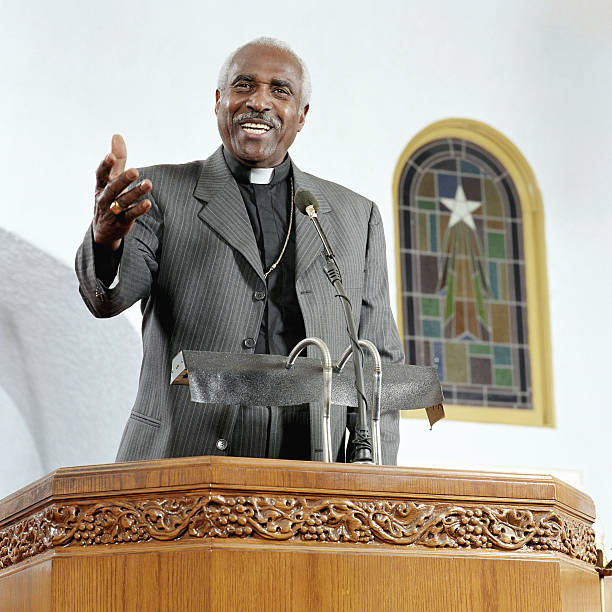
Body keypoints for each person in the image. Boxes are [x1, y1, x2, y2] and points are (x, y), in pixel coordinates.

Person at [76, 37, 404, 465]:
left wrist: (376, 474)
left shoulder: (353, 215)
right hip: (179, 462)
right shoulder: (159, 194)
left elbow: (380, 358)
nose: (259, 102)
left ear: (301, 115)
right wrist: (107, 240)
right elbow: (107, 298)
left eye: (279, 90)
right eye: (243, 85)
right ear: (219, 101)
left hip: (310, 470)